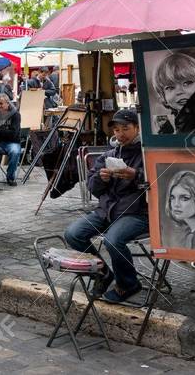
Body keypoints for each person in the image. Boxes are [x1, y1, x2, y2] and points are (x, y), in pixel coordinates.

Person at [63, 109, 148, 304]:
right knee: (73, 233)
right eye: (116, 130)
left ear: (137, 128)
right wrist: (102, 179)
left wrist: (136, 175)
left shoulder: (147, 153)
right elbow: (93, 187)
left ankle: (128, 283)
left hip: (138, 213)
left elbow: (157, 183)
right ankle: (102, 273)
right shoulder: (109, 154)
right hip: (106, 210)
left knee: (112, 240)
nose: (120, 134)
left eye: (125, 128)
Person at [153, 52, 195, 134]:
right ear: (163, 96)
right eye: (170, 87)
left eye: (187, 83)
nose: (179, 92)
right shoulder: (176, 119)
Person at [0, 95, 22, 188]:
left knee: (15, 152)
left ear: (7, 103)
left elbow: (13, 134)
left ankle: (10, 177)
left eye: (1, 103)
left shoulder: (15, 115)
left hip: (12, 142)